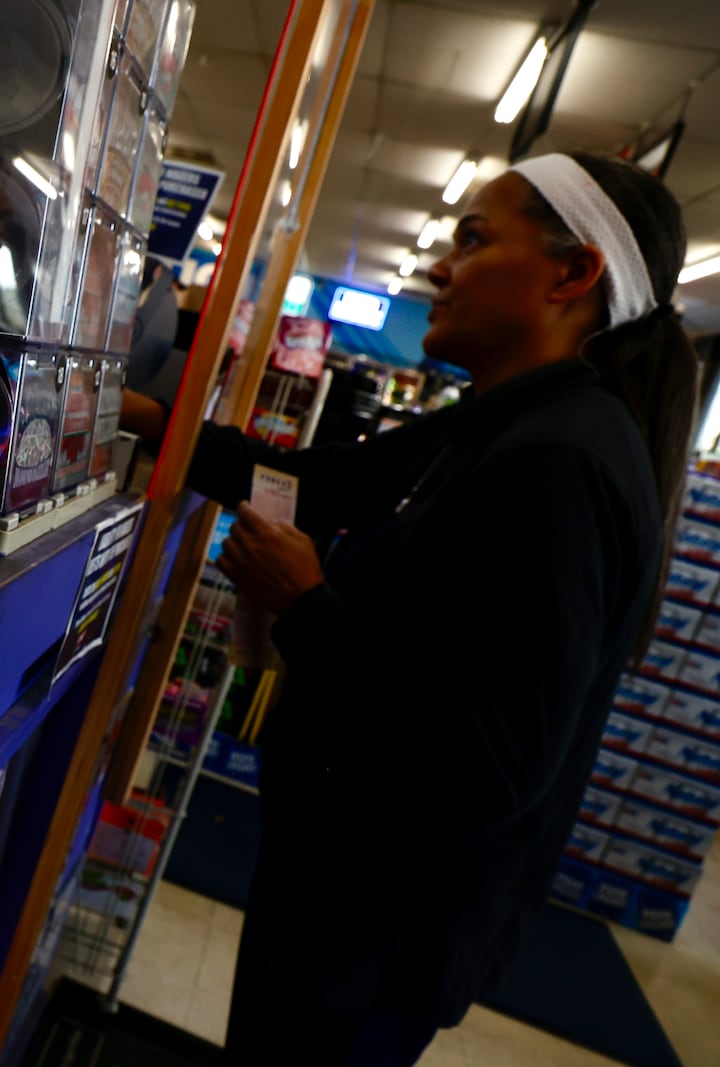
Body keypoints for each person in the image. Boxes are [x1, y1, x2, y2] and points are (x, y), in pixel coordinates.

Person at [186, 152, 698, 1066]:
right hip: (338, 904)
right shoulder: (506, 419)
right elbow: (323, 485)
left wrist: (305, 605)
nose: (438, 266)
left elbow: (492, 762)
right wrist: (153, 421)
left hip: (371, 939)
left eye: (472, 239)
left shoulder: (561, 462)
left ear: (573, 273)